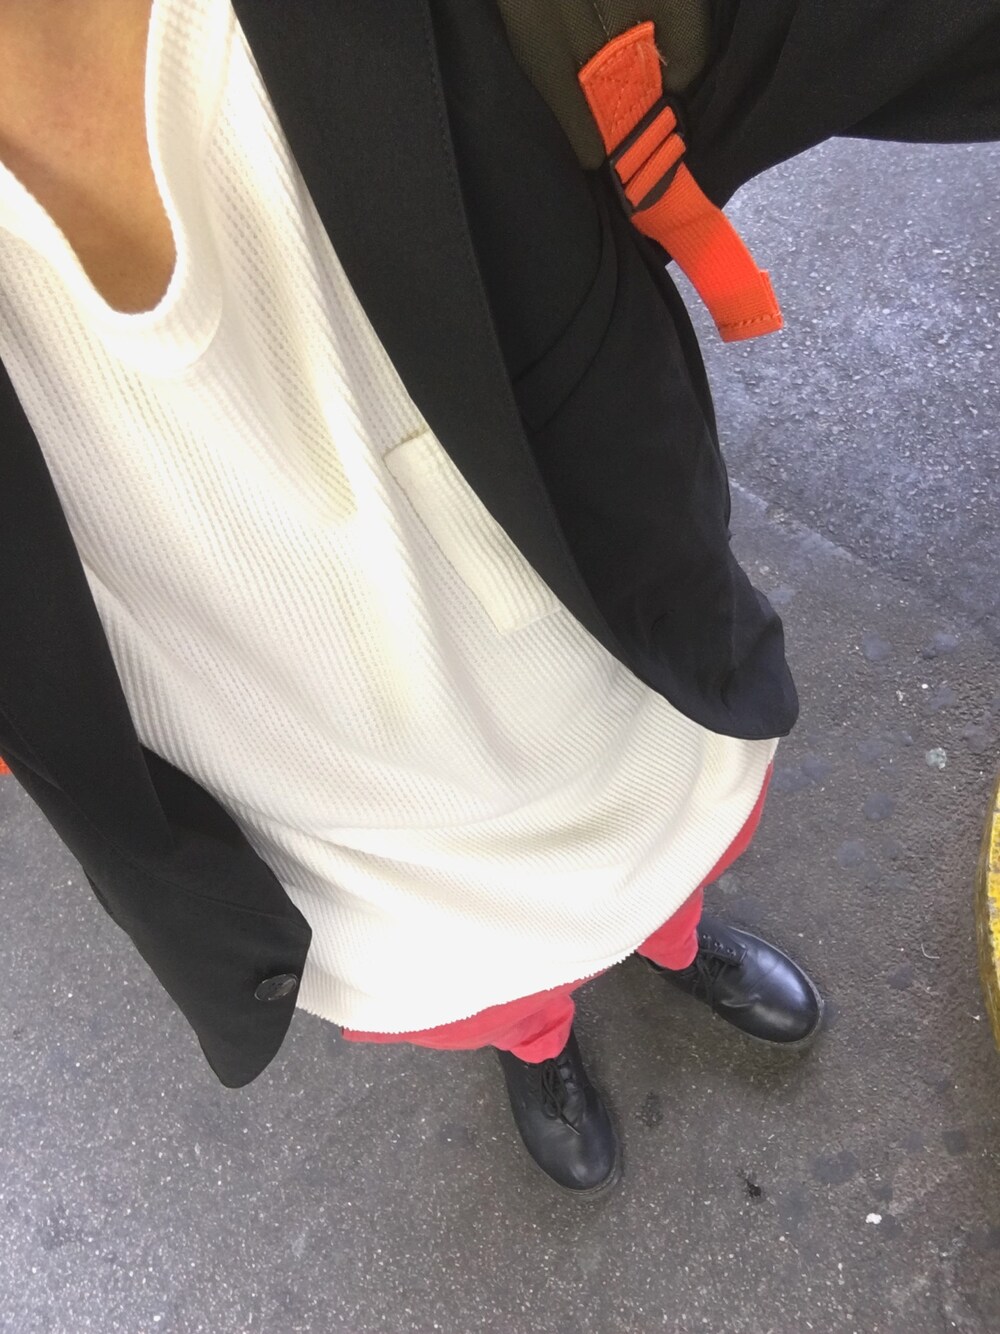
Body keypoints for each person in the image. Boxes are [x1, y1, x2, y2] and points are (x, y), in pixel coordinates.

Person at [0, 0, 994, 1196]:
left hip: (632, 717)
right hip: (376, 899)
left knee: (672, 879)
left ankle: (676, 946)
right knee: (500, 1001)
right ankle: (541, 1046)